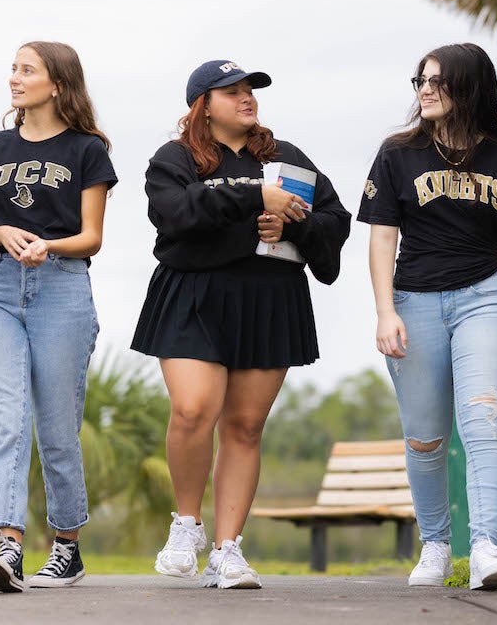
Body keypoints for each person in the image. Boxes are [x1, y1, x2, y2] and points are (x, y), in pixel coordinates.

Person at [131, 59, 350, 589]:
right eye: (230, 92)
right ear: (202, 105)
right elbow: (176, 213)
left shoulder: (287, 157)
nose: (246, 98)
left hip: (268, 297)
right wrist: (255, 197)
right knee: (192, 410)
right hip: (193, 293)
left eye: (249, 90)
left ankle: (228, 550)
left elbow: (335, 219)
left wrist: (292, 223)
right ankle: (187, 523)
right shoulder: (174, 158)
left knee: (246, 426)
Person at [357, 43, 497, 591]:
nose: (425, 90)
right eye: (420, 80)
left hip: (484, 298)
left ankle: (486, 545)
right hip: (413, 302)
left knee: (483, 420)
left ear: (471, 87)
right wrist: (385, 312)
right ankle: (436, 545)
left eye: (438, 80)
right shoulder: (397, 154)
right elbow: (381, 237)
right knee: (426, 438)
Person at [0, 41, 118, 593]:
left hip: (62, 290)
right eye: (12, 68)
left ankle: (67, 547)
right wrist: (2, 234)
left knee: (56, 428)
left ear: (57, 84)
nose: (14, 78)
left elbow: (91, 237)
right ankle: (8, 546)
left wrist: (47, 247)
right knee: (6, 420)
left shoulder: (88, 150)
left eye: (26, 70)